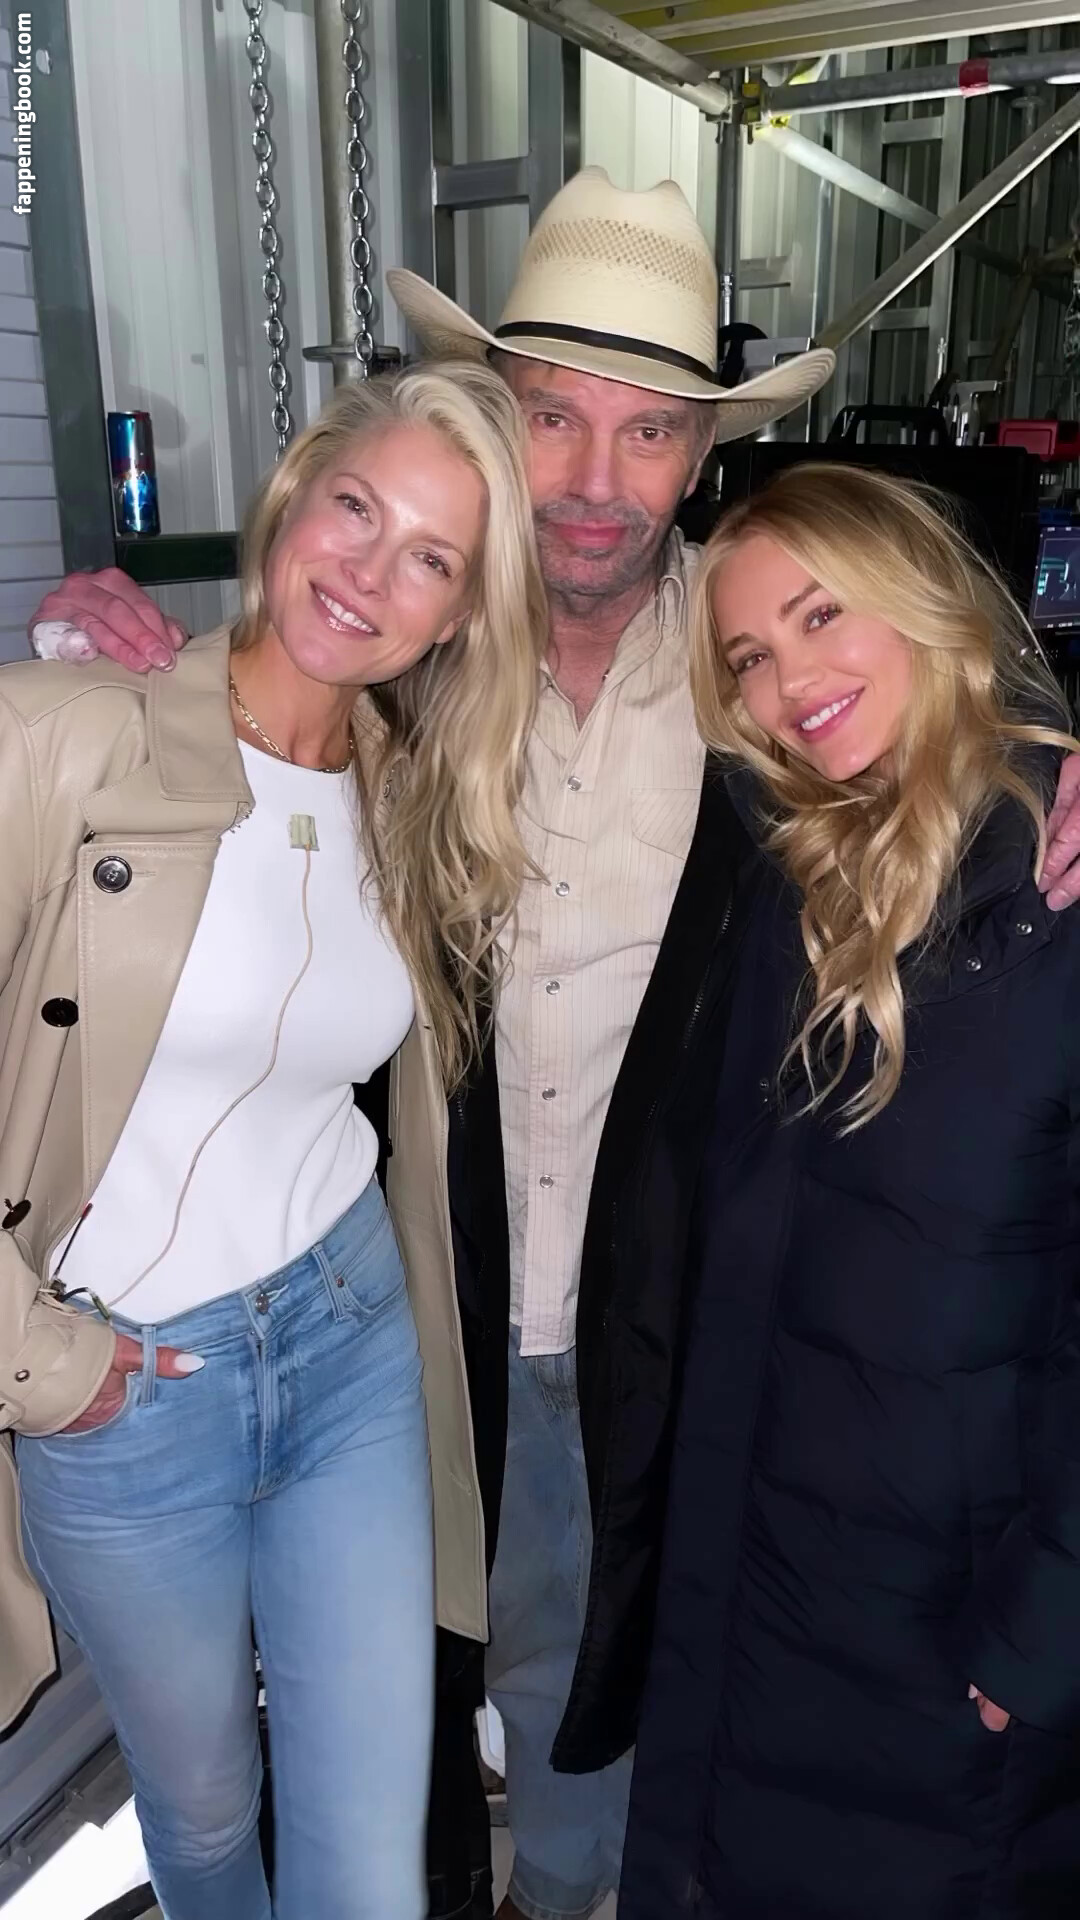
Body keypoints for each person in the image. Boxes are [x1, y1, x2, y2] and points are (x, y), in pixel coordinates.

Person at [28, 167, 1080, 1920]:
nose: (597, 480)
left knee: (639, 1677)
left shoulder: (758, 667)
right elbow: (252, 692)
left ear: (702, 452)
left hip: (691, 1318)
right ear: (494, 417)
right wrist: (109, 642)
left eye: (651, 430)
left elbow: (934, 707)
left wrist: (1057, 744)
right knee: (453, 1666)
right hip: (423, 1310)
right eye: (552, 417)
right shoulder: (412, 650)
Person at [2, 360, 545, 1920]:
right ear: (292, 496)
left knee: (369, 1871)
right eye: (355, 508)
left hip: (350, 1342)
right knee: (203, 1821)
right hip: (126, 1394)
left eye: (430, 558)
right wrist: (38, 1359)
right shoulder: (64, 735)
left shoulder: (419, 795)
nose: (369, 573)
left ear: (458, 616)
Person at [620, 463, 1080, 1919]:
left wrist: (1045, 1632)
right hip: (773, 1571)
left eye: (823, 616)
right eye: (749, 655)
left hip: (954, 1621)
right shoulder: (802, 870)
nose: (788, 684)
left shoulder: (1056, 889)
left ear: (925, 599)